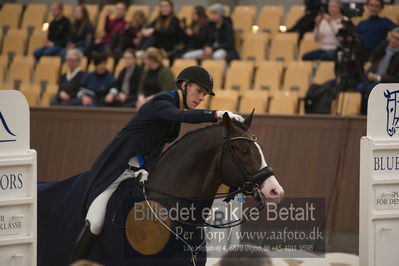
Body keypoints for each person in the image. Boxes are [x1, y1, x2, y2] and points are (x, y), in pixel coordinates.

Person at [69, 65, 245, 263]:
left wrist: (146, 169)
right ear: (185, 85)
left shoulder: (174, 117)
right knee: (96, 221)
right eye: (199, 91)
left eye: (204, 94)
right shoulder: (161, 102)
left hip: (138, 174)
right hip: (115, 171)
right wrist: (216, 115)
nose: (201, 98)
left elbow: (156, 148)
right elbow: (181, 116)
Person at [357, 27, 399, 114]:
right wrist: (368, 64)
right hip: (372, 77)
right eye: (393, 37)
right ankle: (363, 114)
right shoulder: (383, 46)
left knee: (370, 90)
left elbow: (396, 79)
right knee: (360, 87)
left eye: (398, 39)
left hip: (386, 83)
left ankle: (370, 115)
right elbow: (373, 56)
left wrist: (379, 77)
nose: (394, 40)